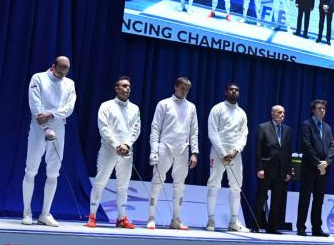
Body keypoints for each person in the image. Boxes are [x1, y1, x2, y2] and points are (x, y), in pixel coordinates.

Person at [22, 56, 77, 227]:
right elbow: (35, 103)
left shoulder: (69, 84)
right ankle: (27, 212)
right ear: (53, 66)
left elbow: (69, 107)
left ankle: (45, 214)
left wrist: (52, 114)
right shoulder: (38, 78)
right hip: (38, 126)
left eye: (66, 70)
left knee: (53, 172)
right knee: (31, 169)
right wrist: (45, 124)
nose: (63, 74)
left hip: (59, 127)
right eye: (60, 70)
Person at [86, 76, 140, 229]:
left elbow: (136, 129)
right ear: (117, 88)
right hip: (109, 150)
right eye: (124, 86)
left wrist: (127, 145)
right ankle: (92, 216)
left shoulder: (135, 108)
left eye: (129, 86)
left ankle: (121, 218)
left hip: (127, 152)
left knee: (123, 185)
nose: (127, 89)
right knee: (100, 182)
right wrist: (117, 145)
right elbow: (103, 128)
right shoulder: (106, 106)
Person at [147, 77, 199, 230]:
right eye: (182, 88)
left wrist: (195, 152)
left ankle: (176, 219)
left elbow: (194, 132)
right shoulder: (164, 104)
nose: (184, 91)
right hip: (165, 147)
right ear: (175, 87)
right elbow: (155, 128)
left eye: (187, 89)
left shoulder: (191, 107)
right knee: (157, 182)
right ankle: (151, 217)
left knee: (180, 185)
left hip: (183, 149)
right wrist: (154, 150)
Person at [206, 82, 249, 232]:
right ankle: (211, 219)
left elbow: (243, 135)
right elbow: (212, 132)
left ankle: (233, 221)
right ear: (226, 92)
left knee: (236, 187)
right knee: (214, 184)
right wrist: (222, 153)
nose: (234, 92)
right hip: (218, 152)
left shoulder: (242, 113)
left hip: (235, 154)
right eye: (231, 90)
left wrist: (236, 151)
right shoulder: (217, 109)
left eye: (236, 90)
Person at [296, 99, 334, 237]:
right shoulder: (306, 125)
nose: (322, 110)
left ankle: (316, 227)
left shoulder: (327, 127)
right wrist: (318, 163)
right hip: (309, 167)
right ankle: (301, 227)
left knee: (319, 199)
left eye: (324, 108)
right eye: (319, 108)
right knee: (305, 198)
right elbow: (306, 145)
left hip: (324, 169)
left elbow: (331, 146)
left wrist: (326, 162)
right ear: (313, 110)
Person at [254, 105, 292, 234]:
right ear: (272, 113)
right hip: (266, 168)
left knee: (277, 199)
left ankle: (272, 227)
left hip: (281, 170)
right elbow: (258, 150)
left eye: (283, 113)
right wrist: (259, 168)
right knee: (261, 197)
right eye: (279, 112)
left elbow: (289, 152)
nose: (282, 115)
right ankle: (256, 225)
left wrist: (288, 171)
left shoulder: (288, 130)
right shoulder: (263, 127)